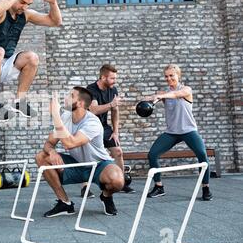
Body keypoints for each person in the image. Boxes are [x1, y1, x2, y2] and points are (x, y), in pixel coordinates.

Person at [35, 87, 124, 217]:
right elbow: (48, 144)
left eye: (71, 96)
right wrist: (52, 151)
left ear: (81, 103)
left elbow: (70, 143)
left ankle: (106, 196)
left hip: (98, 164)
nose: (66, 98)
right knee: (41, 157)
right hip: (77, 164)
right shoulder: (65, 117)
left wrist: (55, 116)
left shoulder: (92, 122)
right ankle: (65, 203)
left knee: (117, 181)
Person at [146, 64, 213, 201]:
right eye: (166, 76)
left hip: (188, 130)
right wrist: (144, 99)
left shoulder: (186, 90)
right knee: (152, 154)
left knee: (202, 155)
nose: (169, 78)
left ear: (178, 75)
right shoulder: (164, 94)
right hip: (171, 132)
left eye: (172, 75)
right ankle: (159, 187)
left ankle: (205, 188)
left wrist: (161, 95)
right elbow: (151, 97)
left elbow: (176, 94)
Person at [86, 64, 135, 195]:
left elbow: (115, 111)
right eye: (112, 78)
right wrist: (111, 104)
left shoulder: (113, 90)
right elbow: (94, 110)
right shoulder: (90, 90)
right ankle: (85, 187)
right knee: (87, 157)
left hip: (104, 127)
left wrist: (115, 132)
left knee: (118, 151)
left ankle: (121, 182)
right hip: (88, 127)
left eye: (115, 78)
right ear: (103, 77)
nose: (115, 81)